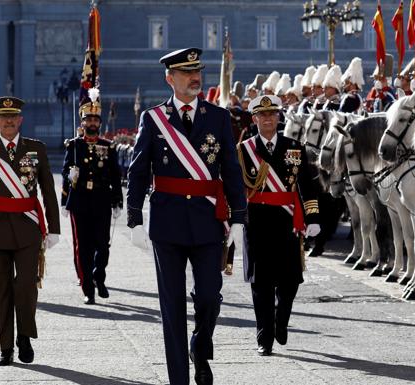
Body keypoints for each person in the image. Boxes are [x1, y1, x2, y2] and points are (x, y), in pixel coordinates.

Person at [126, 47, 247, 385]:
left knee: (209, 295)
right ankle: (178, 379)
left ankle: (201, 344)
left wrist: (238, 218)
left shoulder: (218, 117)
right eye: (186, 72)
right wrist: (134, 218)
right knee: (172, 306)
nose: (195, 78)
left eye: (197, 71)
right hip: (167, 223)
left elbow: (232, 171)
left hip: (208, 221)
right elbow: (138, 172)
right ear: (170, 78)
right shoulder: (153, 119)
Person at [0, 96, 60, 366]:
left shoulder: (35, 149)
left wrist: (54, 228)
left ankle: (24, 336)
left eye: (12, 116)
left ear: (20, 120)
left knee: (27, 286)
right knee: (0, 289)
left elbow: (48, 192)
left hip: (28, 228)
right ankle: (5, 347)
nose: (7, 121)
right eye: (2, 117)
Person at [237, 95, 320, 356]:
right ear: (254, 119)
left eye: (272, 114)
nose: (268, 118)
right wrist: (233, 222)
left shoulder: (295, 148)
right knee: (260, 284)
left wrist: (313, 217)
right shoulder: (244, 150)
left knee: (289, 282)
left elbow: (307, 185)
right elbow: (236, 189)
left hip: (287, 223)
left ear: (279, 117)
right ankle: (264, 336)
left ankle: (280, 319)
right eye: (262, 115)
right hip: (257, 222)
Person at [61, 89, 123, 305]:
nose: (93, 123)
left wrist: (117, 200)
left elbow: (116, 175)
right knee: (83, 247)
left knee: (103, 245)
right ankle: (88, 289)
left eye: (96, 119)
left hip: (102, 200)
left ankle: (99, 277)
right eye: (89, 119)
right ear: (83, 121)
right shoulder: (74, 145)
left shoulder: (108, 146)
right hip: (79, 201)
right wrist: (65, 195)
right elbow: (64, 172)